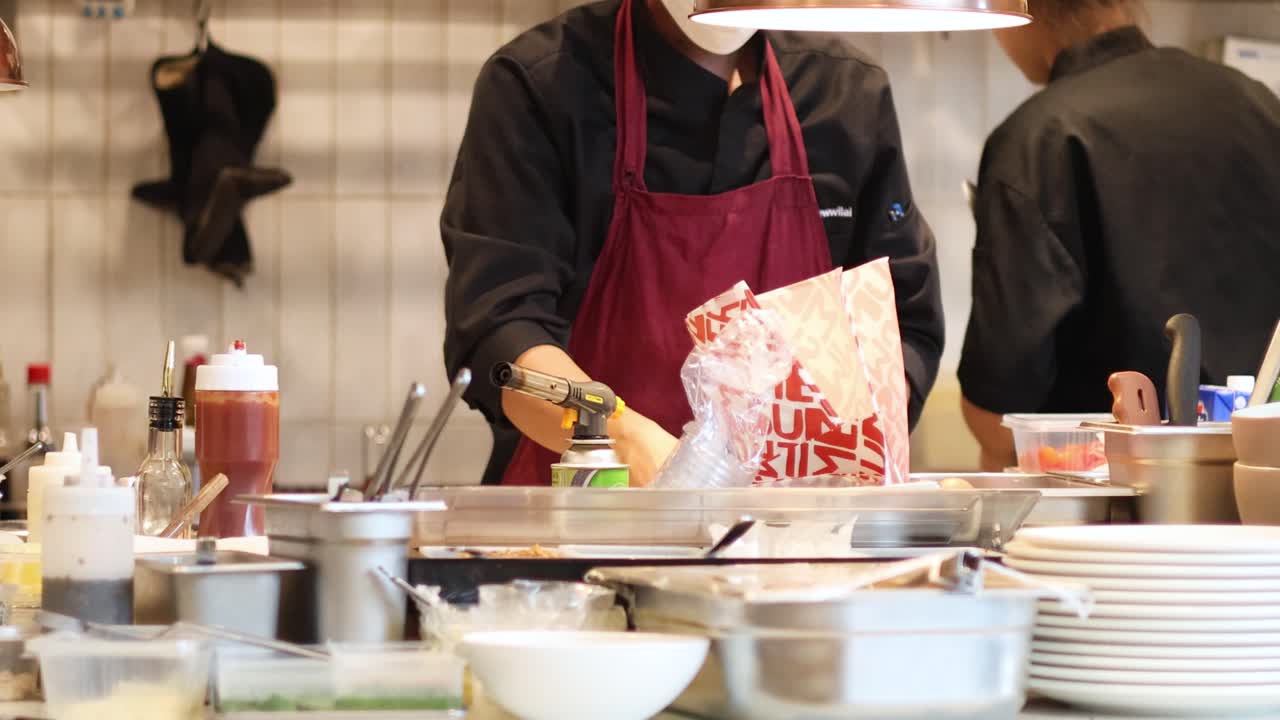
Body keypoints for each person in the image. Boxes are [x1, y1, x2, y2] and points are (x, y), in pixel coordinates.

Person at [443, 0, 945, 486]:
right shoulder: (540, 84)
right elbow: (501, 330)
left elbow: (902, 326)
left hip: (795, 542)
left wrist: (847, 444)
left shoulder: (845, 93)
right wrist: (625, 440)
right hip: (576, 528)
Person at [959, 0, 1280, 470]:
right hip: (1262, 495)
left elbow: (998, 418)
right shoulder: (1262, 107)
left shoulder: (1036, 139)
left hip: (1109, 509)